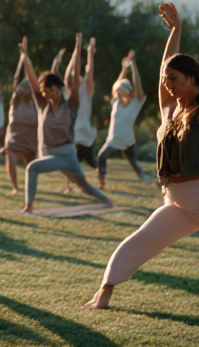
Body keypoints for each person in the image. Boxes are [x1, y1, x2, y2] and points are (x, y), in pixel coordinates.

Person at [87, 1, 199, 311]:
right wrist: (176, 29)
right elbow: (166, 63)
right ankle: (104, 293)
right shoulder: (168, 108)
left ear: (192, 78)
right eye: (166, 80)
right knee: (138, 242)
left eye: (174, 79)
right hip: (175, 202)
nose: (167, 84)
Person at [19, 32, 114, 213]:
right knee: (82, 184)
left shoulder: (71, 105)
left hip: (65, 154)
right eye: (44, 91)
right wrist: (25, 57)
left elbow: (76, 77)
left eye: (50, 90)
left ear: (59, 87)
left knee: (35, 169)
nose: (47, 94)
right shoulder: (42, 104)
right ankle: (106, 200)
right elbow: (32, 79)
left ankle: (29, 207)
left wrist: (77, 50)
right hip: (46, 151)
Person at [96, 51, 147, 189]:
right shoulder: (117, 102)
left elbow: (138, 84)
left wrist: (134, 65)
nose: (120, 93)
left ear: (129, 91)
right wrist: (124, 68)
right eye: (119, 91)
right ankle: (101, 183)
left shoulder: (136, 102)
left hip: (128, 139)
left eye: (122, 90)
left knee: (133, 162)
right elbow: (116, 85)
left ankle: (142, 176)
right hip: (113, 139)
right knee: (102, 156)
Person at [2, 57, 37, 195]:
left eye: (30, 86)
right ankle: (15, 187)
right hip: (14, 137)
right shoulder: (16, 102)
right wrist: (22, 60)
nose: (27, 88)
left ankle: (31, 187)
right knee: (10, 158)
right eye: (25, 86)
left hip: (30, 140)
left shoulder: (36, 105)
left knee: (32, 166)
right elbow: (16, 80)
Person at [73, 37, 98, 169]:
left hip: (84, 126)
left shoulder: (87, 90)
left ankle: (89, 160)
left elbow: (90, 71)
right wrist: (77, 49)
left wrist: (90, 53)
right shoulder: (71, 90)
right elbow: (73, 70)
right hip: (75, 127)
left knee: (81, 156)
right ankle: (70, 183)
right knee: (74, 156)